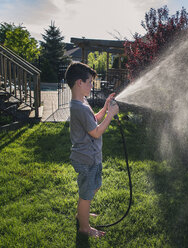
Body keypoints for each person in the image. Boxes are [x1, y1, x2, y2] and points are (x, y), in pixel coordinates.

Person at [65, 62, 119, 238]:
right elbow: (96, 132)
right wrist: (110, 115)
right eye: (89, 82)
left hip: (91, 157)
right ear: (79, 83)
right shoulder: (78, 107)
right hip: (86, 159)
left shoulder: (82, 102)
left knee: (94, 186)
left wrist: (105, 107)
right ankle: (84, 228)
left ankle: (82, 213)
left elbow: (94, 119)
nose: (91, 85)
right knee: (87, 194)